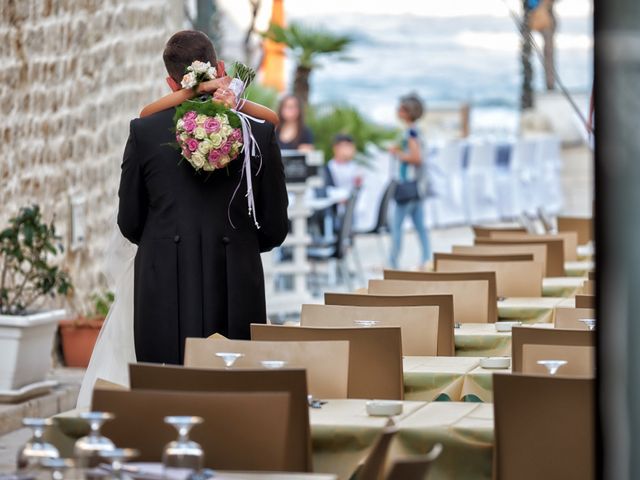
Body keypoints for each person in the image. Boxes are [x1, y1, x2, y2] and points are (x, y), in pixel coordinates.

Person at [78, 30, 288, 406]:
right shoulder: (258, 131)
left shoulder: (143, 131)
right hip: (237, 281)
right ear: (220, 68)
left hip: (163, 282)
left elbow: (129, 221)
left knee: (164, 397)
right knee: (235, 398)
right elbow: (274, 228)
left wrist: (166, 241)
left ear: (171, 83)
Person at [388, 93, 431, 269]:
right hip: (417, 186)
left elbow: (416, 158)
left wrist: (396, 153)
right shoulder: (414, 131)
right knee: (420, 225)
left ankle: (393, 262)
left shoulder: (411, 132)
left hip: (408, 185)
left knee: (396, 225)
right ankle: (427, 259)